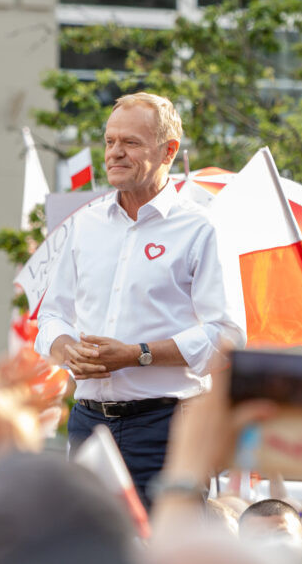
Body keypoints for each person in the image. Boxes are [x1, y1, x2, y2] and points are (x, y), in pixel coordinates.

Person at [35, 92, 246, 504]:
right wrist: (67, 349)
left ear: (169, 151)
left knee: (167, 561)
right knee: (87, 555)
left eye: (130, 142)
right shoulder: (84, 225)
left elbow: (226, 336)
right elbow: (52, 316)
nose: (114, 153)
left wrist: (138, 354)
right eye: (110, 141)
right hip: (88, 425)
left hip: (167, 427)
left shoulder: (201, 229)